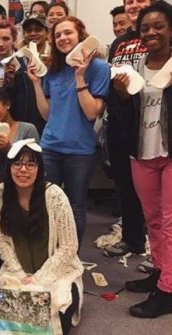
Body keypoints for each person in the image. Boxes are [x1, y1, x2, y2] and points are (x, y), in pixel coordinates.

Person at [113, 0, 172, 319]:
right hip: (141, 153)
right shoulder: (133, 67)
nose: (151, 32)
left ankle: (167, 291)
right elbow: (123, 114)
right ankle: (158, 270)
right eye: (145, 28)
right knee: (151, 218)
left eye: (158, 26)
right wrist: (123, 96)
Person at [28, 16, 110, 245]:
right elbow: (47, 114)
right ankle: (47, 254)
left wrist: (80, 76)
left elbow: (92, 112)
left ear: (81, 35)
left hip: (80, 151)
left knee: (75, 205)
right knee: (45, 203)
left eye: (68, 33)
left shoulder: (100, 68)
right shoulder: (53, 69)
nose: (63, 38)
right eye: (58, 35)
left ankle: (70, 258)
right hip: (50, 146)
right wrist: (36, 83)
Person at [0, 139, 83, 335]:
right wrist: (20, 275)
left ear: (39, 168)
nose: (23, 169)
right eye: (17, 163)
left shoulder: (54, 195)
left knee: (54, 321)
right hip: (18, 271)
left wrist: (40, 279)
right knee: (10, 320)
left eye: (31, 164)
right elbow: (1, 240)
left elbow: (69, 246)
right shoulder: (3, 193)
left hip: (56, 271)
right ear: (9, 166)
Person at [104, 0, 161, 263]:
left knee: (156, 192)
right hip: (120, 122)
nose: (134, 6)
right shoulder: (118, 42)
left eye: (140, 0)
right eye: (130, 2)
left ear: (152, 3)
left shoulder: (165, 37)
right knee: (125, 186)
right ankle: (133, 239)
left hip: (153, 124)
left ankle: (158, 250)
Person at [0, 21, 46, 134]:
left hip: (25, 125)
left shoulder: (27, 63)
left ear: (13, 39)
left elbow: (31, 99)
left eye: (6, 39)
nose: (0, 44)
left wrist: (11, 82)